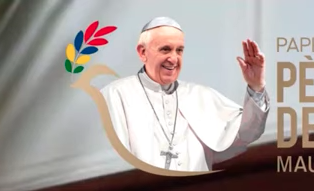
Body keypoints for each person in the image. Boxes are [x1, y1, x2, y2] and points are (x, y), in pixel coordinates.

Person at [104, 16, 268, 171]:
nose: (173, 59)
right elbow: (111, 164)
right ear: (143, 52)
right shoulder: (117, 94)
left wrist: (256, 86)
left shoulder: (200, 96)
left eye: (179, 50)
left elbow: (247, 133)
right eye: (165, 50)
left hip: (196, 190)